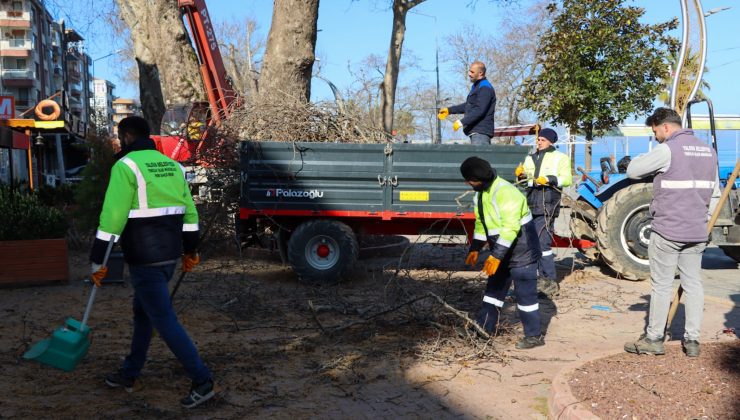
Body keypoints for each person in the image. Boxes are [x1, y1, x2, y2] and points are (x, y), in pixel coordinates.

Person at [89, 116, 214, 408]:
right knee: (144, 313)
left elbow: (112, 219)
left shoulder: (126, 166)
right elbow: (190, 214)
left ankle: (202, 380)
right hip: (169, 256)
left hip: (145, 258)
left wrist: (98, 260)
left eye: (120, 137)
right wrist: (190, 250)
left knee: (163, 319)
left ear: (127, 136)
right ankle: (130, 372)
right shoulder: (173, 166)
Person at [623, 107, 719, 358]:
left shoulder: (668, 150)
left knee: (661, 286)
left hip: (668, 231)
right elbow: (715, 195)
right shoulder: (709, 152)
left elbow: (632, 171)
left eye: (655, 131)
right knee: (693, 284)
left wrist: (634, 159)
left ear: (664, 126)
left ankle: (654, 339)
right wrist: (701, 220)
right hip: (697, 231)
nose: (656, 136)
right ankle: (693, 341)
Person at [460, 156, 544, 349]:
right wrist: (475, 248)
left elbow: (510, 229)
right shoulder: (480, 194)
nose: (467, 183)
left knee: (525, 295)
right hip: (503, 248)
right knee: (493, 291)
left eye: (469, 180)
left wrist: (496, 256)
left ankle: (534, 336)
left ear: (478, 179)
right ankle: (484, 328)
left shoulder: (506, 192)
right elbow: (481, 223)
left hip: (523, 248)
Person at [515, 128, 571, 298]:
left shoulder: (561, 158)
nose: (539, 142)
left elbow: (566, 179)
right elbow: (526, 183)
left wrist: (549, 179)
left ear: (551, 142)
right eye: (538, 139)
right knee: (531, 244)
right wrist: (521, 176)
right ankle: (537, 281)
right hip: (531, 204)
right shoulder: (529, 158)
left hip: (548, 205)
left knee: (543, 245)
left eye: (543, 140)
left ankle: (550, 284)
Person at [438, 61, 496, 145]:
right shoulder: (477, 86)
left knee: (479, 158)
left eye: (472, 72)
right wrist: (449, 110)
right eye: (469, 71)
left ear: (480, 73)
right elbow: (469, 105)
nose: (469, 74)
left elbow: (480, 110)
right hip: (476, 134)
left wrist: (462, 122)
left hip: (480, 134)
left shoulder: (485, 87)